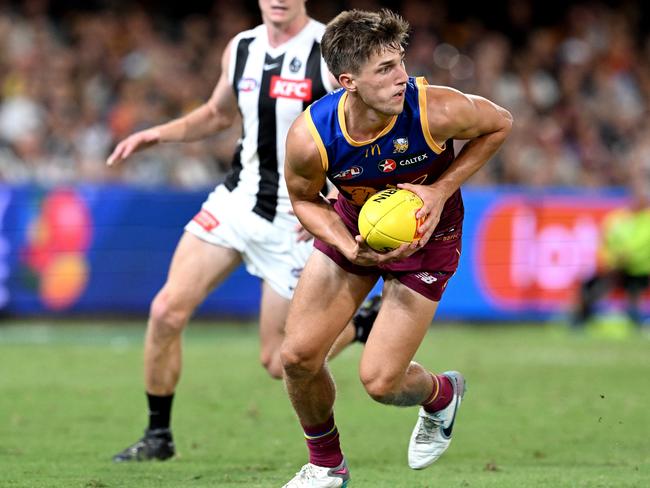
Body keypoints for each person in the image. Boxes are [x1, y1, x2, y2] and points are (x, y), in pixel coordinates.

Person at [106, 0, 379, 463]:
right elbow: (216, 114)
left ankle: (361, 323)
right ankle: (158, 436)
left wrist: (338, 201)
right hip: (236, 202)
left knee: (279, 362)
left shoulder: (326, 48)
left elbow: (365, 125)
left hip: (295, 219)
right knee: (166, 311)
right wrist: (159, 134)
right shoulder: (243, 47)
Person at [280, 9, 513, 486]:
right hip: (357, 232)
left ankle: (441, 394)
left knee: (381, 384)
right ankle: (326, 465)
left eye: (400, 62)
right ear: (348, 81)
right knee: (297, 358)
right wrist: (346, 242)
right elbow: (303, 200)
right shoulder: (312, 137)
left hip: (430, 239)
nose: (401, 77)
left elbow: (501, 123)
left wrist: (440, 189)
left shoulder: (436, 109)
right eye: (384, 70)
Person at [572, 186, 650, 329]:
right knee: (593, 289)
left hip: (641, 271)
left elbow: (644, 247)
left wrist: (628, 257)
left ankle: (638, 322)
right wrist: (613, 260)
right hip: (616, 268)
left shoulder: (647, 220)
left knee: (634, 294)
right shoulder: (616, 218)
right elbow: (603, 244)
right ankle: (580, 320)